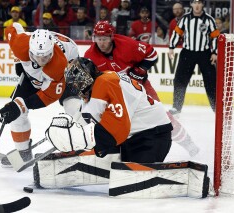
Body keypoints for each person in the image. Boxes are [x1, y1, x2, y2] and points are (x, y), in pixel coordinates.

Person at [84, 20, 200, 156]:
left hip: (139, 88)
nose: (101, 43)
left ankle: (188, 144)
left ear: (111, 37)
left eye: (104, 39)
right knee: (114, 120)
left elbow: (152, 54)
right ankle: (116, 150)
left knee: (162, 117)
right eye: (98, 39)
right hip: (115, 93)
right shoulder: (90, 56)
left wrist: (140, 69)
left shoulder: (128, 45)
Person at [46, 57, 173, 163]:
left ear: (85, 79)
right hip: (134, 136)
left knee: (131, 181)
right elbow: (100, 125)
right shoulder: (100, 84)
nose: (75, 89)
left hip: (152, 136)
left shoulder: (105, 83)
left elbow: (116, 130)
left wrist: (76, 139)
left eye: (76, 84)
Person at [0, 22, 80, 166]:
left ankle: (80, 148)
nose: (41, 61)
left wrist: (22, 105)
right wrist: (18, 60)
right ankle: (23, 152)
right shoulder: (20, 44)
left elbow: (48, 95)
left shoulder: (59, 65)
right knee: (16, 113)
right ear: (30, 50)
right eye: (37, 57)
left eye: (45, 57)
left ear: (52, 53)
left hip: (69, 68)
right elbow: (13, 26)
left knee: (74, 107)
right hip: (33, 76)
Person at [168, 0, 219, 115]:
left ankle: (216, 108)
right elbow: (177, 33)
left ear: (202, 5)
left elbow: (215, 37)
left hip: (205, 54)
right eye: (194, 3)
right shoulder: (185, 18)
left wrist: (214, 52)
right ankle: (176, 107)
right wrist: (171, 47)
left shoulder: (209, 19)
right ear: (191, 4)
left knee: (211, 81)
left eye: (199, 3)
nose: (197, 5)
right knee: (180, 80)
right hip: (187, 53)